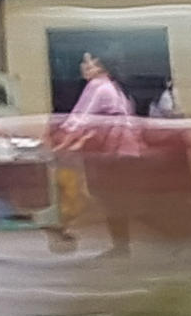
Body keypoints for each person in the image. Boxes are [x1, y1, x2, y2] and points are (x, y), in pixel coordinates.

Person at [56, 50, 144, 257]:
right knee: (113, 198)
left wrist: (62, 142)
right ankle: (121, 245)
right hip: (124, 150)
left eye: (89, 63)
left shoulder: (98, 86)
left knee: (109, 198)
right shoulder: (114, 87)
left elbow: (80, 119)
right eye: (83, 62)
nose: (84, 67)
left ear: (102, 67)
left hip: (112, 151)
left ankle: (120, 246)